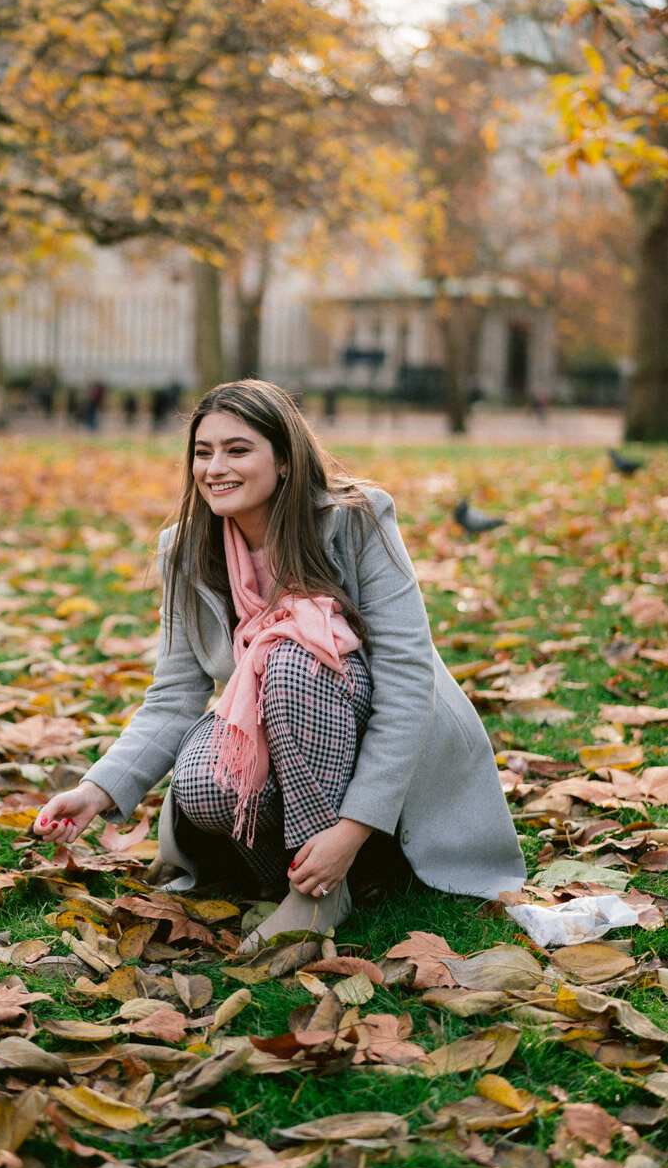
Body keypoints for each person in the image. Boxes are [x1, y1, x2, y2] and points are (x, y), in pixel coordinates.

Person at [33, 380, 525, 950]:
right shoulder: (185, 549)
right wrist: (96, 791)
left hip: (376, 738)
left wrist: (350, 829)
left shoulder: (357, 521)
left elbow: (409, 685)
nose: (215, 467)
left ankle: (324, 890)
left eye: (238, 450)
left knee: (294, 656)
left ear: (286, 460)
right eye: (203, 451)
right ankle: (307, 873)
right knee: (202, 786)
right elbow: (173, 698)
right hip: (285, 736)